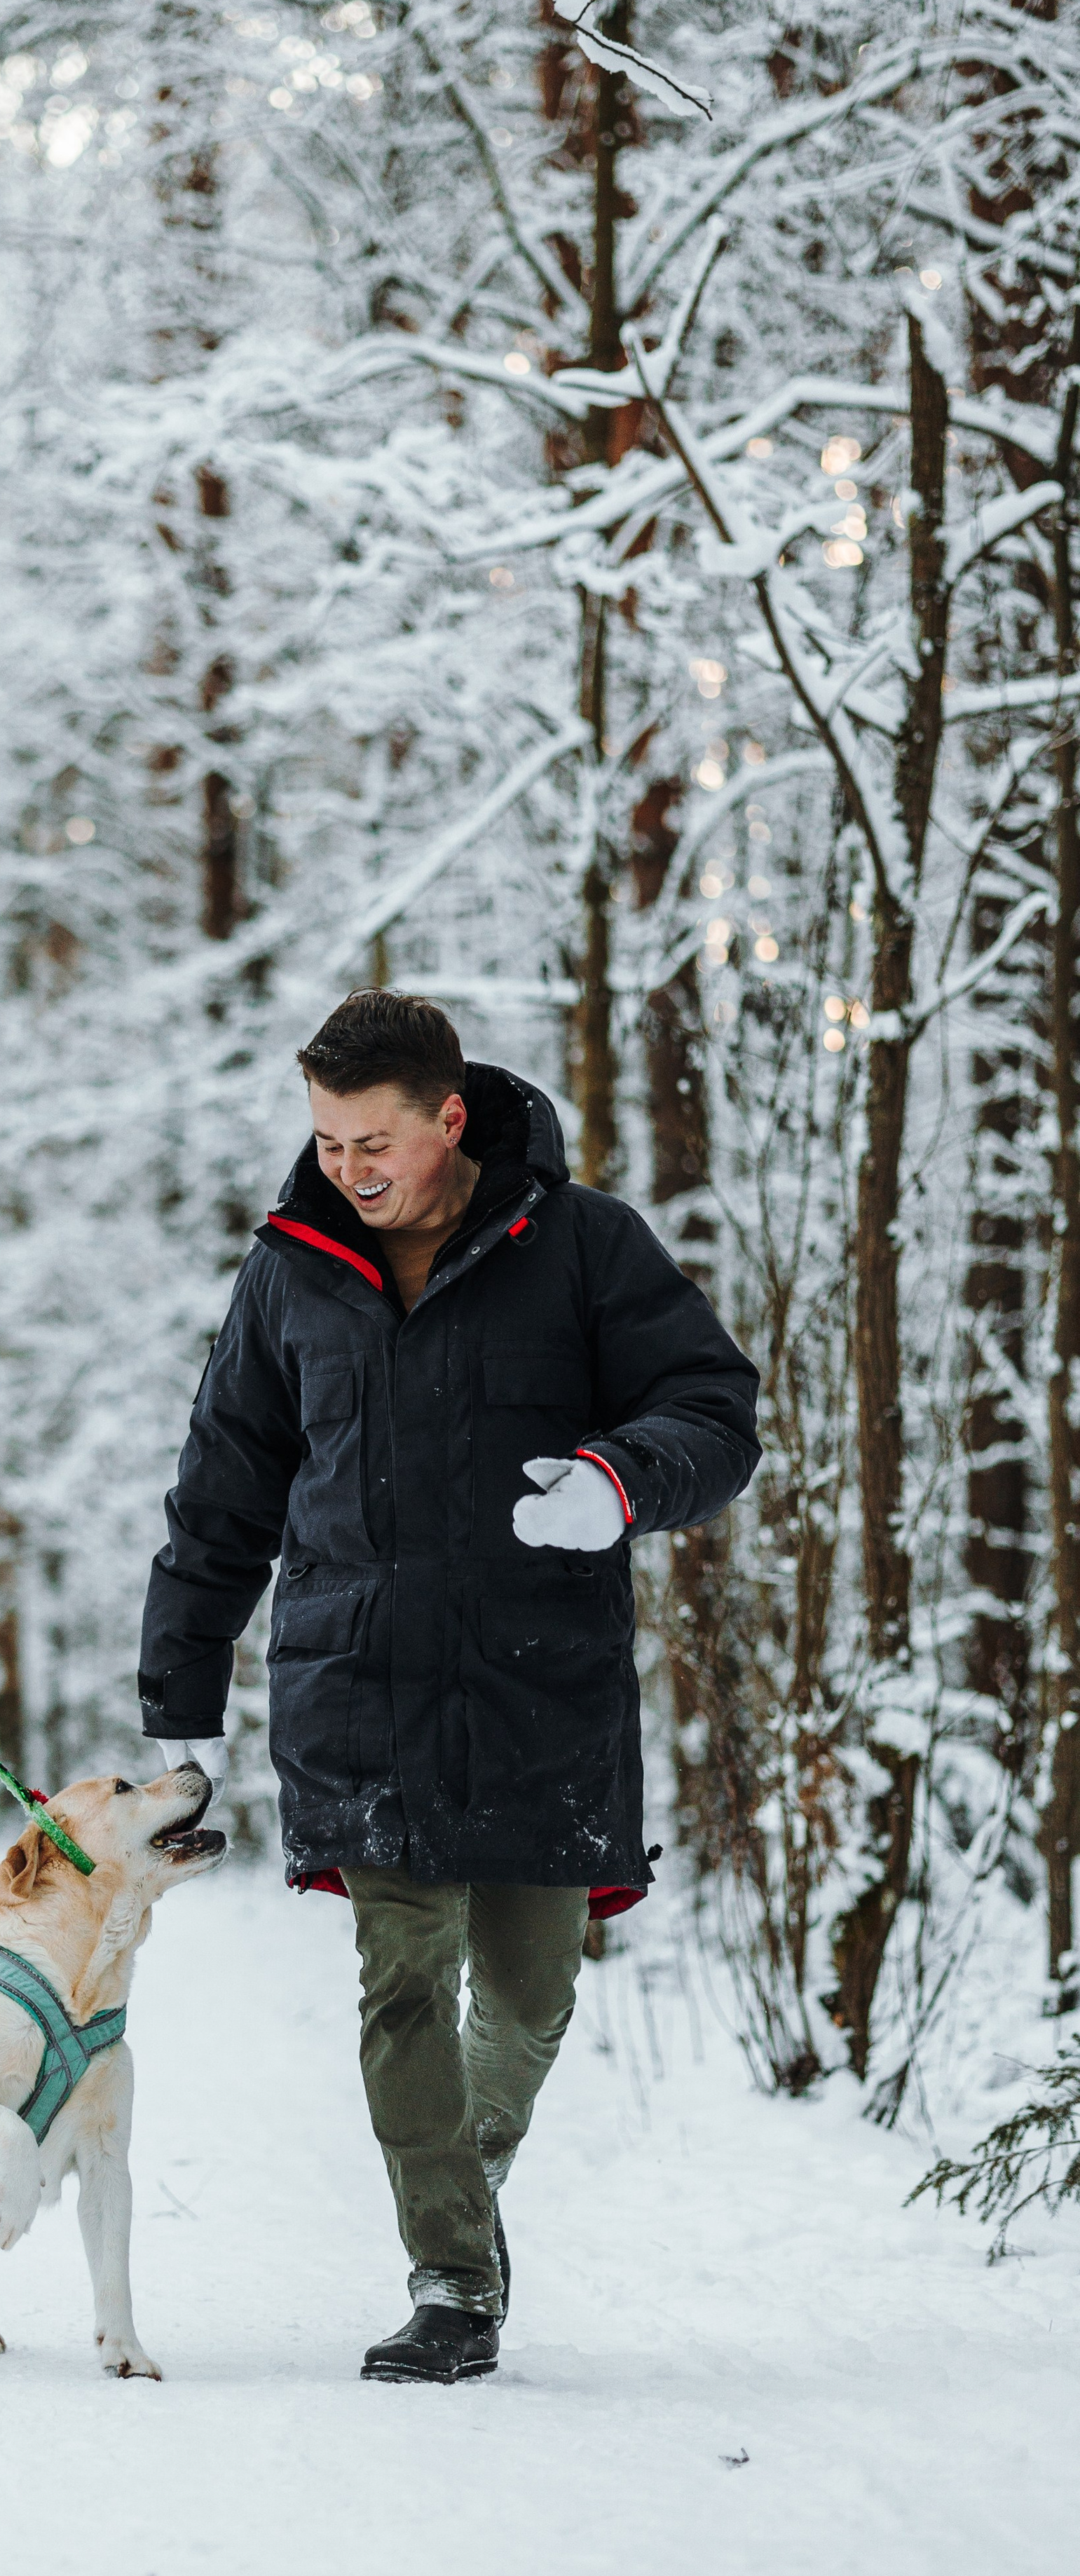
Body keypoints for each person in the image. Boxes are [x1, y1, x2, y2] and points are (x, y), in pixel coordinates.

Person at [139, 991, 760, 2382]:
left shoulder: (581, 1244)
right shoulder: (290, 1271)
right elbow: (223, 1487)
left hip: (540, 1678)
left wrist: (615, 1483)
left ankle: (452, 2207)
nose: (346, 1169)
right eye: (325, 1139)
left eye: (373, 1141)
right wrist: (181, 1678)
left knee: (530, 1989)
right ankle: (449, 2286)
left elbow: (712, 1412)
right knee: (400, 1978)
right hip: (354, 1682)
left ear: (449, 1117)